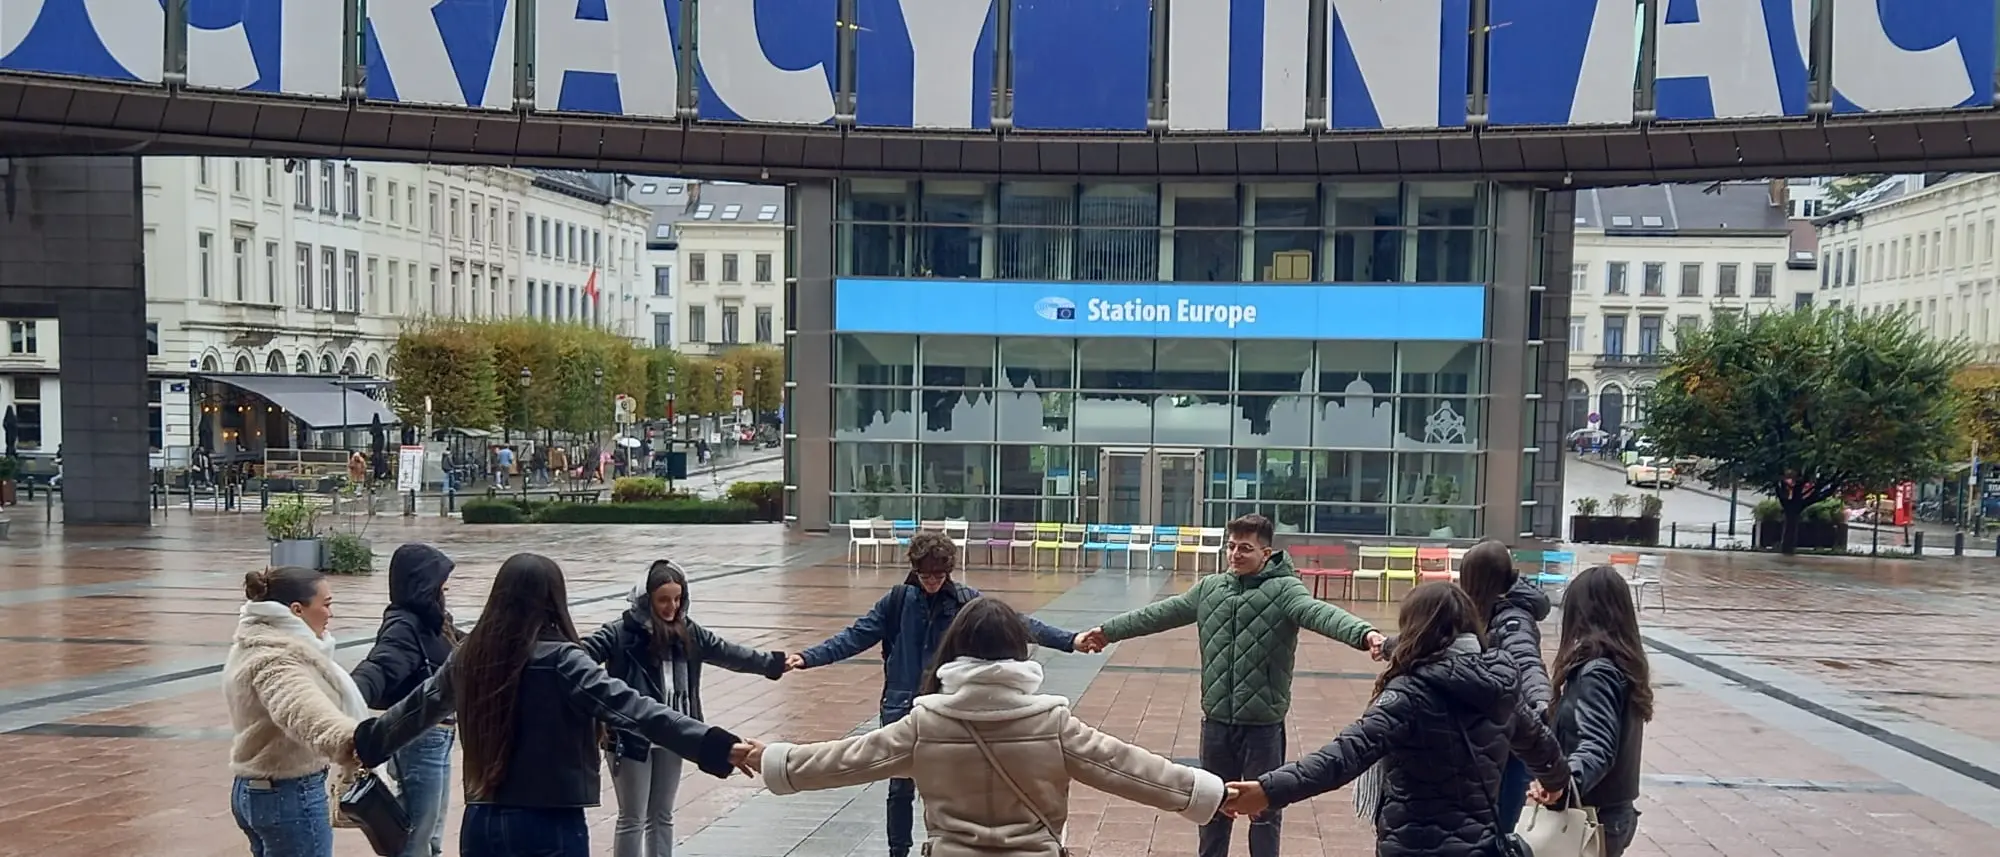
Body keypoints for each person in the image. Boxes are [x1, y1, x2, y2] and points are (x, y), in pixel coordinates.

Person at [354, 553, 761, 857]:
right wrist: (714, 745)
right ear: (553, 600)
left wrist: (364, 741)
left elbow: (415, 710)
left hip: (481, 823)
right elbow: (639, 710)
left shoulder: (469, 656)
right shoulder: (565, 661)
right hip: (550, 824)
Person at [757, 597, 1228, 857]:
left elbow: (842, 761)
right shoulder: (1052, 723)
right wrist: (1212, 794)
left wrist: (766, 758)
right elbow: (1130, 768)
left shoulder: (925, 724)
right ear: (1019, 652)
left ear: (956, 647)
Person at [1073, 514, 1383, 857]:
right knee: (1213, 807)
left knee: (1264, 811)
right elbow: (1159, 614)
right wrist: (1108, 631)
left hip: (1262, 727)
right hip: (1217, 722)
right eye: (1231, 547)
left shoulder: (1285, 590)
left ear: (1266, 553)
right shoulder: (1211, 588)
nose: (1235, 554)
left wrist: (1363, 634)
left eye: (1245, 548)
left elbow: (1320, 613)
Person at [1220, 583, 1571, 857]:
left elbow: (1344, 755)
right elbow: (1542, 746)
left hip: (1412, 844)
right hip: (1478, 845)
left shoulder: (1410, 693)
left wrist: (1269, 790)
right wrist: (1555, 783)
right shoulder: (1502, 685)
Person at [786, 532, 1082, 857]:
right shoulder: (897, 601)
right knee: (899, 786)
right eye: (925, 575)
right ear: (915, 570)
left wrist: (1070, 640)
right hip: (901, 704)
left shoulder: (964, 601)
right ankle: (898, 851)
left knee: (945, 786)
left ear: (949, 571)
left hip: (946, 705)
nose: (932, 582)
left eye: (939, 575)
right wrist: (808, 657)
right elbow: (856, 636)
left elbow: (1016, 623)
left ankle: (938, 845)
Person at [582, 559, 789, 857]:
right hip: (631, 736)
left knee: (662, 815)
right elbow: (581, 655)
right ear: (647, 598)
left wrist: (773, 663)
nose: (671, 607)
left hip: (676, 733)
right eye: (663, 600)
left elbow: (729, 653)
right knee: (633, 817)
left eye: (677, 599)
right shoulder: (620, 632)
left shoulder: (688, 632)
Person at [1376, 538, 1552, 830]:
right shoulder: (1474, 611)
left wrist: (1540, 699)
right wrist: (1388, 646)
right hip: (1484, 740)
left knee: (1497, 829)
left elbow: (1527, 661)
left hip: (1510, 743)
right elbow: (1434, 639)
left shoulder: (1512, 619)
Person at [223, 566, 364, 857]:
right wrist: (354, 740)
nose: (330, 614)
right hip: (288, 795)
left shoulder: (256, 641)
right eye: (326, 604)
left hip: (259, 790)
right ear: (297, 610)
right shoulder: (275, 659)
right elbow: (301, 710)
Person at [1530, 566, 1652, 857]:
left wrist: (1562, 782)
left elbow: (1596, 743)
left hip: (1594, 816)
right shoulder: (1623, 664)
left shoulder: (1597, 671)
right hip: (1613, 812)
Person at [349, 544, 461, 857]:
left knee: (431, 830)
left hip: (439, 736)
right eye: (441, 579)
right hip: (418, 739)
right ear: (422, 581)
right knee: (415, 831)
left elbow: (467, 647)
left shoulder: (434, 620)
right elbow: (380, 666)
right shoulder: (404, 625)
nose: (446, 586)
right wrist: (348, 698)